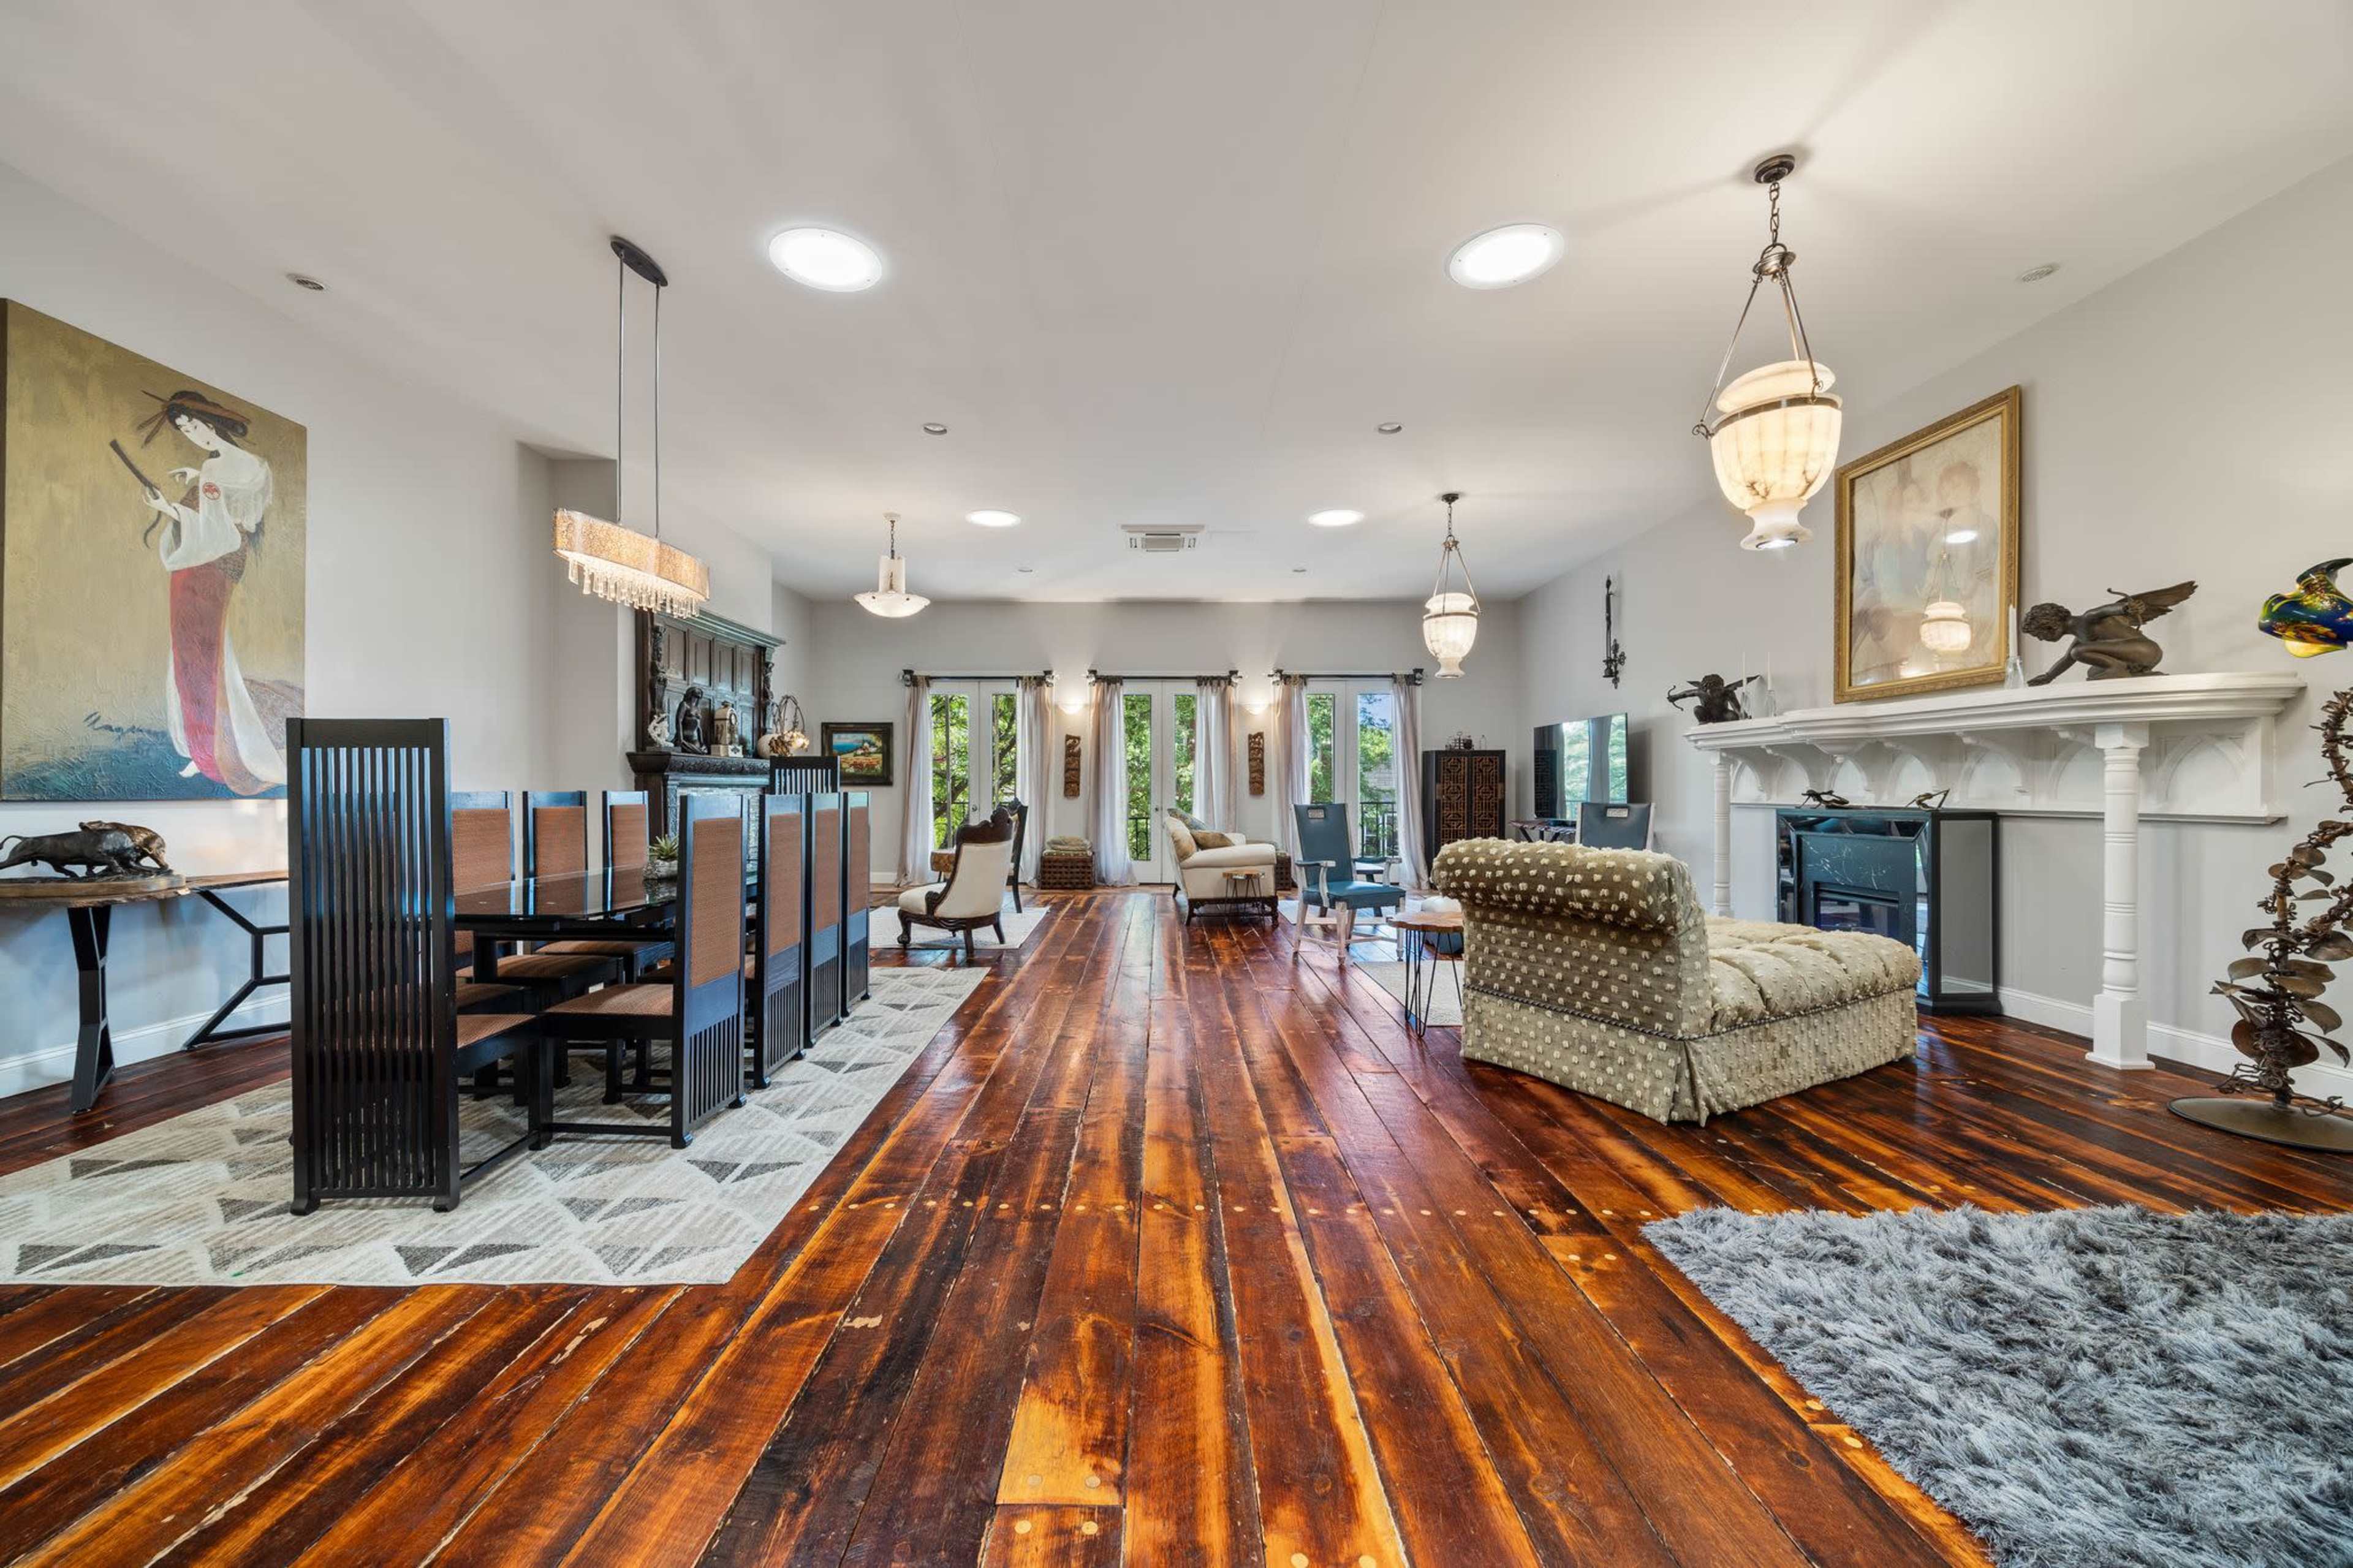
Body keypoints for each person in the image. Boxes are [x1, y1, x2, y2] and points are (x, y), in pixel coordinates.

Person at [132, 390, 282, 794]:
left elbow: (218, 527)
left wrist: (169, 509)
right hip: (210, 562)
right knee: (194, 650)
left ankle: (214, 752)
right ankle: (205, 752)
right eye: (184, 430)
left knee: (202, 652)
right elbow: (237, 511)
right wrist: (199, 480)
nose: (193, 435)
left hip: (206, 564)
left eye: (194, 425)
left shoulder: (217, 470)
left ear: (210, 420)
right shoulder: (233, 467)